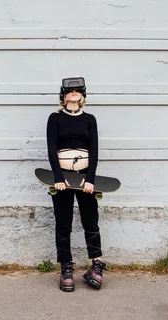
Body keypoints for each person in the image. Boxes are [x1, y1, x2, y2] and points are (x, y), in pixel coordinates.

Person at [46, 77, 106, 292]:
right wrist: (58, 178)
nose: (73, 93)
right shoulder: (55, 118)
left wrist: (90, 179)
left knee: (91, 221)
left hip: (84, 178)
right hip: (62, 179)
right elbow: (52, 150)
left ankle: (96, 266)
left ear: (83, 95)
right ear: (63, 96)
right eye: (69, 91)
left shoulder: (90, 119)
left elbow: (94, 150)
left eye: (77, 90)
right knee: (64, 223)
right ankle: (66, 268)